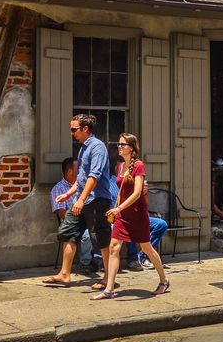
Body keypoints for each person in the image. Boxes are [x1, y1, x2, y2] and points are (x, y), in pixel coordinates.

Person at [42, 113, 117, 289]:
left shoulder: (97, 147)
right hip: (81, 200)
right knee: (68, 232)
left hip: (96, 200)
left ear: (85, 129)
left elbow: (94, 176)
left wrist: (81, 200)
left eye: (74, 129)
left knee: (101, 239)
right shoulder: (83, 148)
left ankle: (107, 278)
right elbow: (82, 178)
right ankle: (64, 274)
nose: (71, 133)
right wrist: (68, 194)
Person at [92, 133, 169, 299]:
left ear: (132, 148)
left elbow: (137, 193)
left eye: (123, 145)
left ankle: (163, 280)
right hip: (121, 213)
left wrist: (118, 208)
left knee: (146, 248)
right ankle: (109, 289)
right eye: (119, 144)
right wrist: (116, 209)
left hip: (136, 213)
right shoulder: (120, 167)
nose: (119, 147)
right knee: (114, 247)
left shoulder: (139, 166)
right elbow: (121, 192)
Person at [49, 157, 101, 272]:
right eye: (79, 169)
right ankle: (85, 263)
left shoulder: (84, 186)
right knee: (87, 235)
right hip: (72, 221)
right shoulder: (58, 189)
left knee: (105, 228)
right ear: (70, 172)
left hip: (89, 218)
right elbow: (62, 214)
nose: (83, 171)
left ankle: (99, 259)